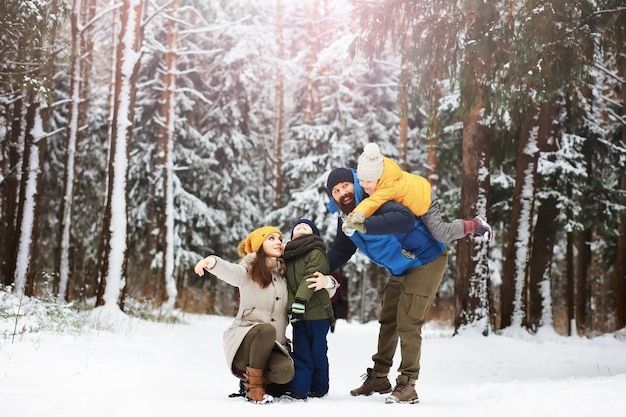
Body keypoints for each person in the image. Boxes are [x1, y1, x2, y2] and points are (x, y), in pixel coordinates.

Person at [311, 167, 450, 404]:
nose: (343, 192)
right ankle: (379, 377)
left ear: (355, 182)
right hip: (400, 266)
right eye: (336, 190)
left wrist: (365, 223)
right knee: (388, 320)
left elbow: (405, 220)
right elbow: (343, 249)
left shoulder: (377, 198)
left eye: (345, 185)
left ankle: (407, 383)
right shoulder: (345, 216)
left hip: (426, 259)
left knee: (408, 322)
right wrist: (316, 267)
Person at [193, 226, 294, 404]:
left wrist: (328, 283)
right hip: (246, 343)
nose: (278, 242)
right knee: (266, 330)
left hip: (274, 345)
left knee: (285, 371)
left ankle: (252, 379)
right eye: (271, 238)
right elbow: (231, 272)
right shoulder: (249, 269)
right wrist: (212, 262)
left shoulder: (284, 274)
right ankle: (254, 389)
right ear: (259, 245)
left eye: (279, 239)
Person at [346, 142, 493, 241]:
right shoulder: (381, 168)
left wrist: (353, 218)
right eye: (361, 180)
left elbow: (372, 202)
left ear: (379, 178)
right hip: (417, 190)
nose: (364, 185)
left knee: (440, 233)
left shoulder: (387, 186)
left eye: (369, 182)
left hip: (426, 201)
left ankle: (475, 224)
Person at [281, 218, 336, 401]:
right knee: (301, 350)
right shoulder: (288, 256)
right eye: (297, 226)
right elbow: (287, 285)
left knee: (317, 351)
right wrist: (292, 307)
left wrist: (300, 301)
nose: (301, 226)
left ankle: (319, 387)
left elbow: (311, 277)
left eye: (306, 226)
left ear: (314, 234)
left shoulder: (317, 251)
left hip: (318, 312)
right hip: (299, 314)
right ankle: (299, 389)